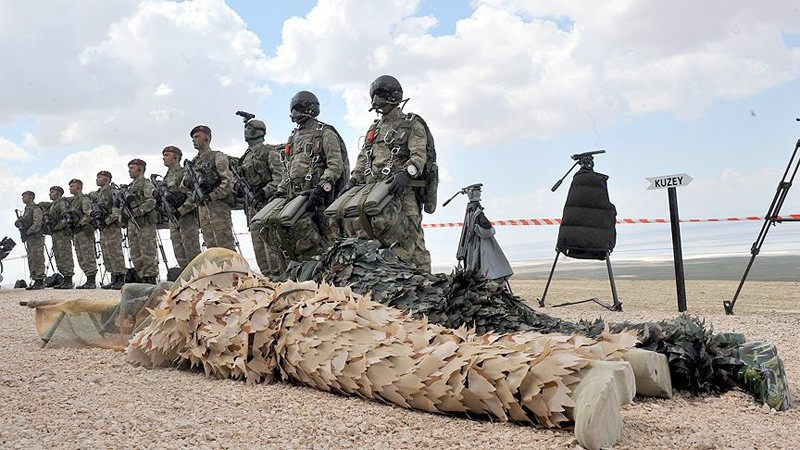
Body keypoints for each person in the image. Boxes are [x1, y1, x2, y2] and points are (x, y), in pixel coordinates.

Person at [344, 75, 434, 271]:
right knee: (378, 239)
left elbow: (419, 155)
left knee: (413, 239)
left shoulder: (411, 123)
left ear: (393, 96)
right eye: (374, 96)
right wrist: (354, 180)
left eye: (380, 95)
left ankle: (427, 282)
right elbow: (364, 157)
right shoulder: (374, 129)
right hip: (375, 193)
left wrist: (406, 174)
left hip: (403, 191)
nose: (376, 101)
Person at [269, 90, 346, 270]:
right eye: (292, 109)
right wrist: (280, 191)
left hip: (319, 198)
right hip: (296, 197)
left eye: (298, 108)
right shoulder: (293, 137)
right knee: (300, 243)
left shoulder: (325, 133)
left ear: (310, 109)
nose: (294, 114)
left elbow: (336, 165)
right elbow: (289, 169)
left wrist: (321, 187)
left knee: (327, 241)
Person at [236, 117, 284, 276]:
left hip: (266, 204)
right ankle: (267, 278)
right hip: (251, 206)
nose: (245, 131)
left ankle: (279, 278)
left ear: (258, 131)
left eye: (249, 129)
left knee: (271, 246)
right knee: (258, 247)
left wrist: (264, 192)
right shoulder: (246, 156)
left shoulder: (268, 151)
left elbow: (280, 177)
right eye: (245, 129)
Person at [182, 125, 236, 251]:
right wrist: (189, 183)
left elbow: (228, 182)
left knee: (226, 247)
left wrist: (212, 195)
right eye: (193, 138)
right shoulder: (193, 163)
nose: (194, 140)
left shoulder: (217, 157)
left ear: (207, 138)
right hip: (202, 209)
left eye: (197, 137)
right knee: (211, 249)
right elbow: (183, 187)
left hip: (218, 207)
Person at [161, 146, 202, 270]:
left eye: (167, 155)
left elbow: (193, 195)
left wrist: (181, 210)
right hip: (174, 218)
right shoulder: (166, 177)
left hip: (186, 218)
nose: (164, 158)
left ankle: (199, 278)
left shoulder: (185, 173)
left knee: (192, 251)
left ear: (176, 157)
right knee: (179, 252)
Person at [123, 159, 159, 284]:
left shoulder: (146, 184)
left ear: (140, 169)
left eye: (132, 168)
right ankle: (141, 276)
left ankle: (150, 277)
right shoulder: (131, 187)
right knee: (135, 252)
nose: (129, 171)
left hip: (144, 224)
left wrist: (137, 211)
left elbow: (151, 201)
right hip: (132, 224)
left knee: (147, 252)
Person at [93, 170, 126, 290]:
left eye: (99, 177)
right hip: (103, 228)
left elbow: (116, 208)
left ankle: (120, 278)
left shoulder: (112, 191)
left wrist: (107, 220)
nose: (97, 179)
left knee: (115, 252)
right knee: (106, 253)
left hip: (111, 226)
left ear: (106, 179)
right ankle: (114, 278)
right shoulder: (98, 193)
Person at [66, 179, 98, 289]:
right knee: (80, 256)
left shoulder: (84, 199)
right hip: (76, 232)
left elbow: (88, 214)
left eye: (72, 186)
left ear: (79, 187)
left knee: (87, 255)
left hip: (84, 231)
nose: (70, 188)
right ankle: (87, 279)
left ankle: (91, 280)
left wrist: (80, 223)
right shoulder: (73, 201)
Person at [15, 191, 45, 290]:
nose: (23, 198)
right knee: (31, 258)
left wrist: (28, 232)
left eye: (24, 196)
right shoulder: (27, 210)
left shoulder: (35, 208)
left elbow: (37, 223)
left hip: (36, 237)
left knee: (37, 257)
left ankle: (39, 280)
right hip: (30, 238)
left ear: (31, 197)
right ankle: (35, 278)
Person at [47, 186, 76, 289]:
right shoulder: (52, 205)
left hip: (62, 234)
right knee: (58, 256)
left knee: (65, 255)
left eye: (52, 192)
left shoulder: (62, 203)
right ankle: (64, 278)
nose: (50, 194)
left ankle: (69, 280)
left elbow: (67, 218)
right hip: (56, 234)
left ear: (58, 193)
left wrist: (57, 227)